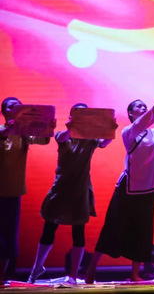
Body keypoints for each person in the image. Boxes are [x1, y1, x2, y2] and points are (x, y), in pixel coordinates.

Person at [85, 98, 154, 283]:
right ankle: (91, 270)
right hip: (128, 187)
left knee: (143, 231)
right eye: (139, 106)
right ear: (130, 113)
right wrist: (153, 109)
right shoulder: (128, 132)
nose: (143, 107)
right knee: (112, 227)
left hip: (148, 188)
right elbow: (141, 124)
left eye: (144, 105)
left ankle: (134, 274)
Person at [28, 103, 112, 284]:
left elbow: (104, 142)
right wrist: (72, 125)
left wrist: (109, 129)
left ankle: (73, 275)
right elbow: (62, 137)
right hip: (61, 188)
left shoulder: (90, 138)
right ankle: (36, 269)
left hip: (80, 189)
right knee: (49, 228)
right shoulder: (64, 136)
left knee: (78, 232)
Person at [1, 97, 53, 284]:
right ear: (4, 111)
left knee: (9, 237)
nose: (15, 109)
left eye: (18, 106)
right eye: (11, 106)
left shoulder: (23, 134)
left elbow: (42, 139)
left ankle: (2, 276)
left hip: (14, 191)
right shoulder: (2, 130)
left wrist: (48, 127)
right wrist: (9, 128)